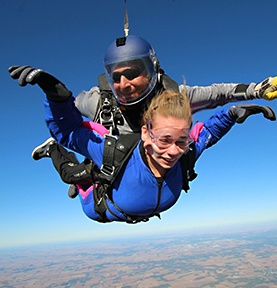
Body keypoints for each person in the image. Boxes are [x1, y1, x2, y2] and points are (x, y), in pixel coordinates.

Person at [9, 35, 277, 198]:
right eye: (116, 77)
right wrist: (54, 93)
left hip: (147, 167)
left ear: (152, 70)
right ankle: (70, 166)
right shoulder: (98, 101)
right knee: (75, 176)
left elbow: (218, 94)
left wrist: (256, 89)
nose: (124, 83)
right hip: (113, 162)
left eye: (133, 72)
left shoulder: (174, 99)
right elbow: (66, 117)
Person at [9, 67, 276, 223]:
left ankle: (86, 172)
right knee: (72, 173)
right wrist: (56, 96)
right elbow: (66, 131)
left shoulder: (186, 152)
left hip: (122, 196)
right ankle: (52, 152)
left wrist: (234, 113)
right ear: (146, 134)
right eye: (165, 140)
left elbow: (208, 132)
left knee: (90, 166)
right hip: (99, 205)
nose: (173, 151)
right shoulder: (115, 151)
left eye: (181, 141)